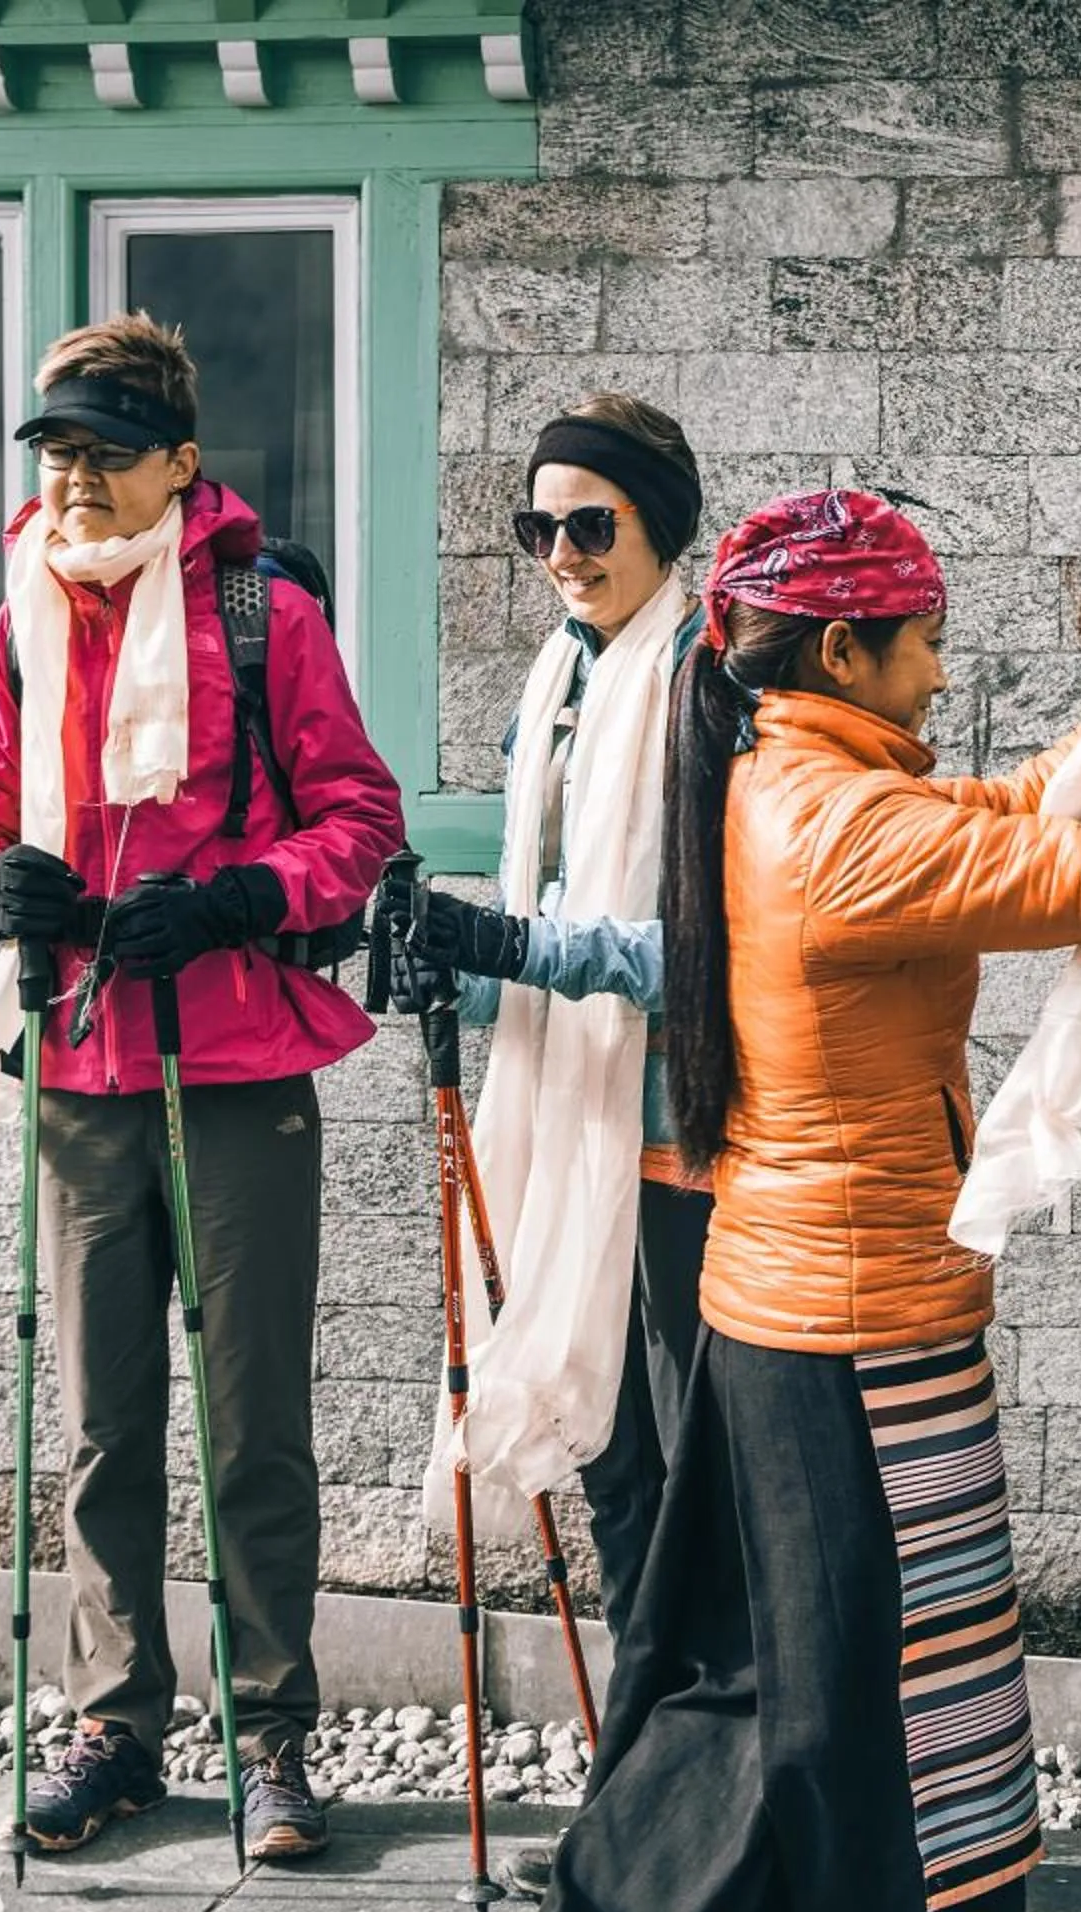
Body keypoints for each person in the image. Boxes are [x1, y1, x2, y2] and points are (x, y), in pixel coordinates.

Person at [447, 489, 1081, 1912]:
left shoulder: (784, 777)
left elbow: (1037, 801)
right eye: (925, 643)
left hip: (787, 1304)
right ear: (846, 645)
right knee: (904, 1707)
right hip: (859, 1336)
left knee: (759, 1675)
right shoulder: (842, 829)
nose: (941, 673)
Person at [0, 312, 404, 1863]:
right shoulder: (21, 620)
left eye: (105, 453)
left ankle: (273, 1740)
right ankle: (115, 1727)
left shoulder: (262, 613)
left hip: (241, 1055)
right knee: (100, 1425)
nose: (72, 478)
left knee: (253, 1420)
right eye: (56, 450)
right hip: (78, 1056)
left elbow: (359, 816)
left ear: (179, 467)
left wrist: (234, 900)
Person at [386, 393, 711, 1647]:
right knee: (615, 1461)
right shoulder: (558, 692)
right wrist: (453, 968)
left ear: (660, 525)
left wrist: (513, 943)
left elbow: (713, 954)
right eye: (539, 527)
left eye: (591, 522)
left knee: (689, 1473)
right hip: (569, 1117)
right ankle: (640, 1777)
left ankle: (698, 1773)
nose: (563, 554)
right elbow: (545, 927)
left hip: (679, 1139)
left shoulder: (703, 692)